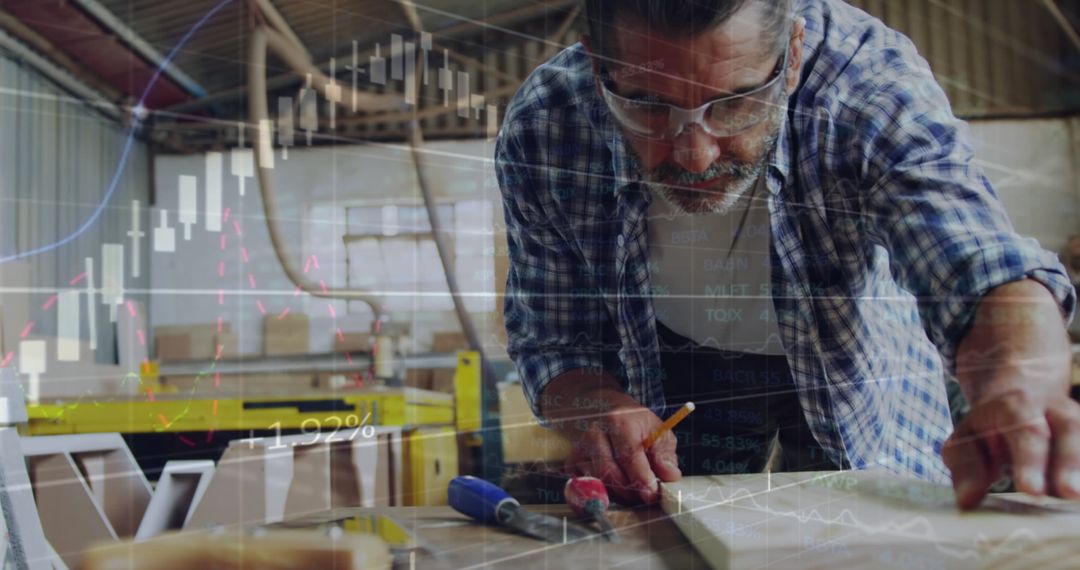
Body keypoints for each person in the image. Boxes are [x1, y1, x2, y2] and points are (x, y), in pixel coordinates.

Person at [495, 0, 1079, 509]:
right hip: (674, 372)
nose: (695, 156)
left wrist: (1016, 378)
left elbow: (975, 262)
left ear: (793, 54)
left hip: (855, 363)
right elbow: (555, 339)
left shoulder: (867, 82)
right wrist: (596, 405)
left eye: (735, 103)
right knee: (689, 538)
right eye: (648, 106)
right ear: (597, 66)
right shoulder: (548, 124)